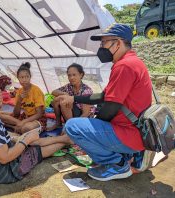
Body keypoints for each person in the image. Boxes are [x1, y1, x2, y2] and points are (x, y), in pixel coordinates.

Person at [57, 23, 153, 181]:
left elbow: (111, 106)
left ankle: (116, 164)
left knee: (72, 126)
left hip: (129, 134)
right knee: (88, 124)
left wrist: (93, 129)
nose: (101, 48)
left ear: (118, 43)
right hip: (135, 131)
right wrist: (74, 98)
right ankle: (126, 154)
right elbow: (104, 96)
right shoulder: (133, 61)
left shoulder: (124, 66)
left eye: (104, 43)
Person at [0, 74, 72, 184]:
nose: (0, 90)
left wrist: (20, 138)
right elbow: (4, 158)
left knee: (27, 139)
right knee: (34, 150)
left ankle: (64, 139)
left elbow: (38, 113)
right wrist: (25, 140)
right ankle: (65, 141)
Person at [0, 62, 47, 134]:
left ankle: (15, 126)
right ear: (18, 78)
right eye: (22, 77)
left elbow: (39, 113)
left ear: (30, 77)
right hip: (25, 117)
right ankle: (19, 125)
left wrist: (23, 122)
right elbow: (16, 114)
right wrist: (19, 100)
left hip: (37, 119)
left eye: (27, 77)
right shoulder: (19, 91)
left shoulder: (36, 90)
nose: (24, 79)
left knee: (26, 128)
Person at [47, 63, 94, 131]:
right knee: (56, 100)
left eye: (74, 75)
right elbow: (53, 92)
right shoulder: (69, 86)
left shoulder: (86, 90)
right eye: (69, 75)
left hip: (84, 119)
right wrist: (64, 93)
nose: (71, 78)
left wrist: (75, 125)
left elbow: (86, 114)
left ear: (81, 75)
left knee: (64, 102)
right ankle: (58, 123)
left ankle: (71, 128)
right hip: (71, 114)